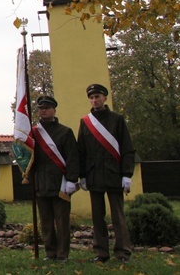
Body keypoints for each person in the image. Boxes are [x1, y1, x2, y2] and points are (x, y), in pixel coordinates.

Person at [77, 83, 135, 264]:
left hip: (114, 175)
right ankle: (101, 253)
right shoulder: (85, 122)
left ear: (105, 98)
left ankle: (123, 252)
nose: (94, 100)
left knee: (118, 217)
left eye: (97, 97)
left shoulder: (117, 119)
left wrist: (127, 174)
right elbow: (81, 151)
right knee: (97, 218)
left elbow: (127, 148)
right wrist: (83, 175)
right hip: (94, 176)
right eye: (92, 98)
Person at [31, 95, 79, 262]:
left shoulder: (65, 132)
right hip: (41, 183)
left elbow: (73, 157)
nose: (43, 111)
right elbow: (27, 157)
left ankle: (62, 254)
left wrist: (72, 179)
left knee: (62, 222)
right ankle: (50, 252)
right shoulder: (34, 133)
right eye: (41, 108)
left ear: (54, 110)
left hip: (61, 184)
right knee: (46, 222)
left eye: (47, 108)